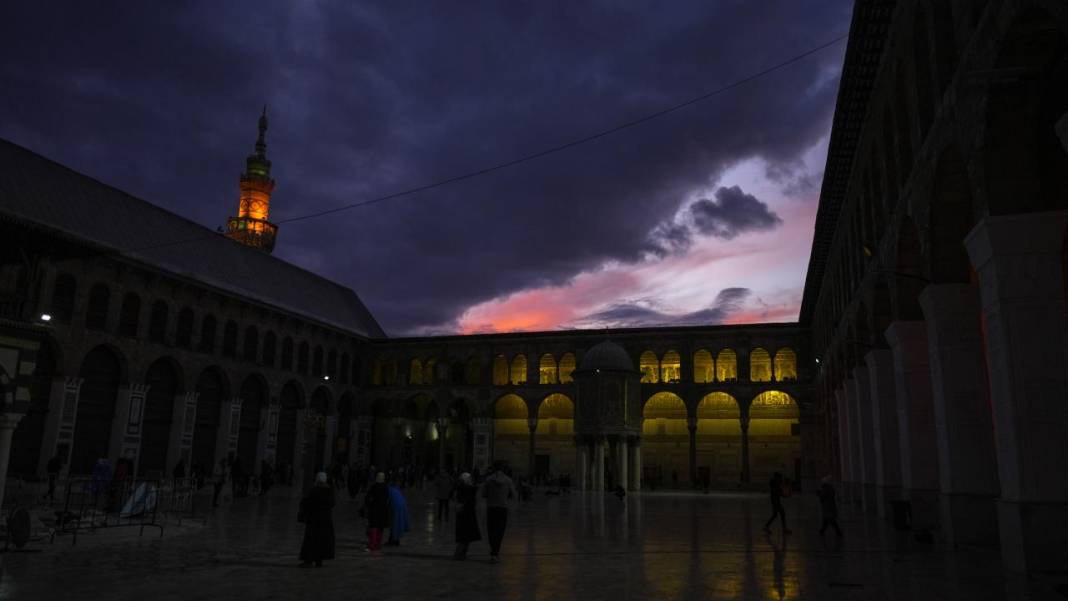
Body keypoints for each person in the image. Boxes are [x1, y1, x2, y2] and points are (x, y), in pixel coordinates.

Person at [481, 461, 517, 563]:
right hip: (502, 508)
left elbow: (484, 494)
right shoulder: (508, 480)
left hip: (491, 508)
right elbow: (514, 495)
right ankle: (495, 553)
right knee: (500, 531)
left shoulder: (488, 480)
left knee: (491, 531)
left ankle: (493, 553)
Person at [299, 472, 336, 567]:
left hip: (314, 520)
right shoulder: (329, 491)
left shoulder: (314, 490)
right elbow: (332, 503)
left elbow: (308, 504)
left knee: (312, 540)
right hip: (325, 520)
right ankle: (319, 560)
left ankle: (309, 560)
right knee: (322, 541)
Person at [454, 472, 481, 560]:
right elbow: (473, 490)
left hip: (466, 513)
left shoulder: (462, 488)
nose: (471, 480)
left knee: (466, 537)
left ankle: (462, 555)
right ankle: (458, 555)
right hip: (466, 514)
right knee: (465, 537)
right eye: (469, 479)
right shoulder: (465, 488)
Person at [363, 472, 390, 552]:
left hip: (375, 510)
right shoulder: (386, 487)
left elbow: (367, 498)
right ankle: (378, 545)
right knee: (380, 528)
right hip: (383, 510)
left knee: (374, 527)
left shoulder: (374, 487)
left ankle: (372, 546)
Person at [386, 480, 410, 546]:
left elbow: (387, 500)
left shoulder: (389, 489)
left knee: (394, 523)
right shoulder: (396, 490)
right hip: (402, 505)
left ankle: (393, 540)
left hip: (395, 506)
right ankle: (395, 540)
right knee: (397, 523)